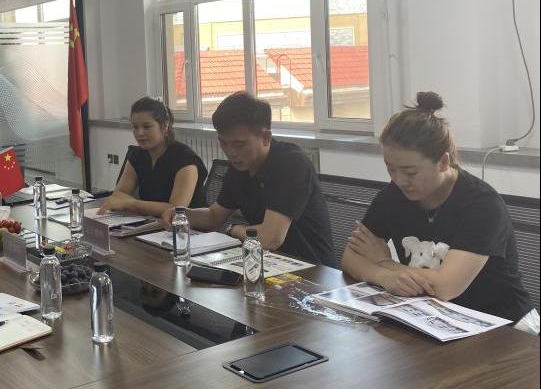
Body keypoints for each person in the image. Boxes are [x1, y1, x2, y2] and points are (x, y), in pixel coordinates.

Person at [342, 92, 539, 334]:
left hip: (506, 327)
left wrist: (384, 262)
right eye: (390, 169)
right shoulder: (393, 196)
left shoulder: (482, 205)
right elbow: (350, 258)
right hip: (439, 318)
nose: (399, 180)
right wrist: (382, 276)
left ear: (444, 162)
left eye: (410, 172)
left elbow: (446, 287)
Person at [161, 92, 336, 266]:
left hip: (312, 270)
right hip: (266, 261)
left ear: (265, 137)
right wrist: (183, 214)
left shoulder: (291, 164)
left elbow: (270, 238)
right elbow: (214, 216)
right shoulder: (239, 167)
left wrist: (234, 229)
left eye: (239, 144)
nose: (231, 152)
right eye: (223, 143)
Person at [98, 97, 208, 217]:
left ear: (164, 126)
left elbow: (176, 209)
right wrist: (131, 204)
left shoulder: (186, 160)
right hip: (151, 222)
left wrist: (130, 204)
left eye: (147, 127)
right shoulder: (137, 154)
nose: (140, 133)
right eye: (135, 127)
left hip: (187, 226)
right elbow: (119, 194)